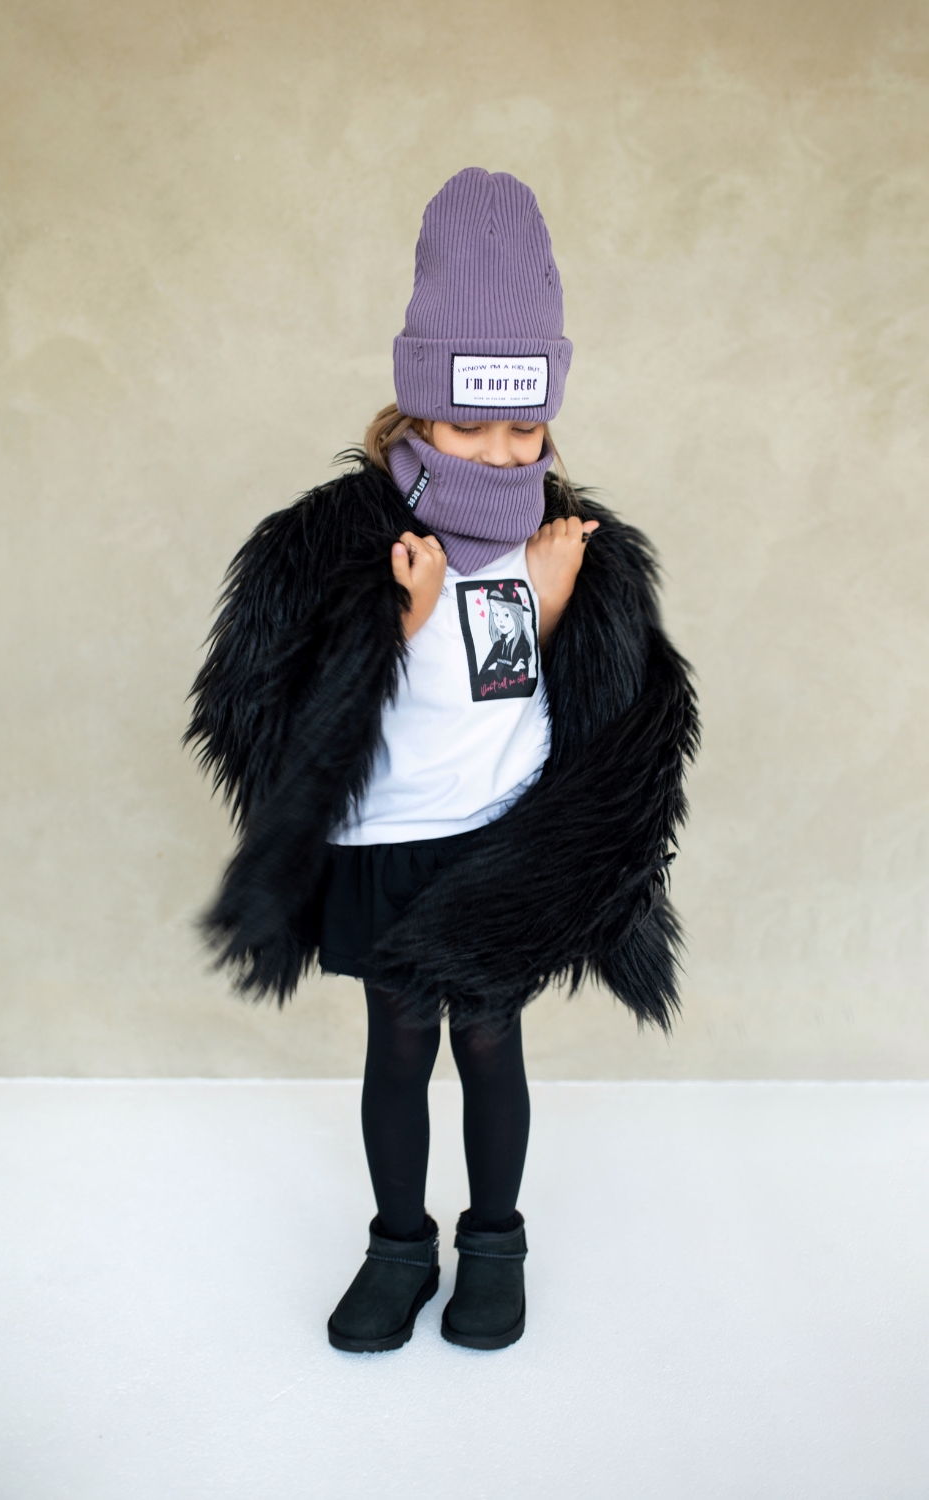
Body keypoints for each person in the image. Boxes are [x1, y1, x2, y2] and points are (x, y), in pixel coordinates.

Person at [186, 168, 698, 1355]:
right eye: (470, 425)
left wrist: (554, 604)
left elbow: (563, 703)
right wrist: (398, 620)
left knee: (490, 1042)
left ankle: (496, 1244)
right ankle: (398, 1246)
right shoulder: (344, 544)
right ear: (417, 411)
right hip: (385, 842)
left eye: (525, 428)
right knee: (400, 1046)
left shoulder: (558, 543)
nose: (501, 453)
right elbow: (277, 712)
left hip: (498, 844)